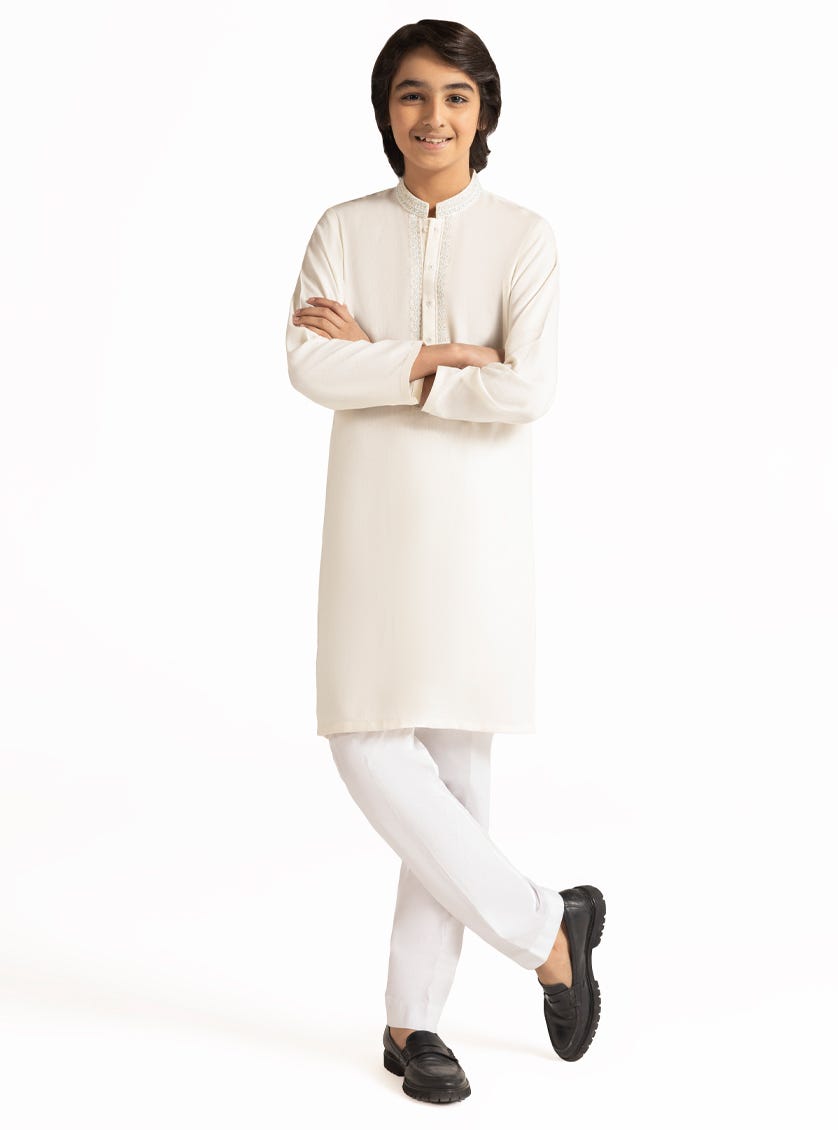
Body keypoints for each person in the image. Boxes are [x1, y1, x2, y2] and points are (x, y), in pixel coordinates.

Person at [285, 18, 606, 1105]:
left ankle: (410, 1021)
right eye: (413, 94)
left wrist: (383, 362)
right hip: (371, 525)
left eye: (455, 96)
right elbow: (307, 365)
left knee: (458, 784)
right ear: (387, 110)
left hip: (477, 533)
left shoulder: (522, 237)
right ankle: (548, 929)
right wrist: (443, 355)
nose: (433, 116)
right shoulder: (342, 228)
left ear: (483, 112)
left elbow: (528, 387)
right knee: (365, 744)